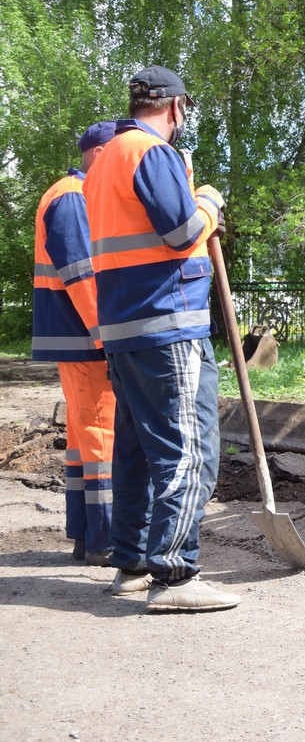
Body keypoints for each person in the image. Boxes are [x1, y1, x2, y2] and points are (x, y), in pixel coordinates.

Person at [83, 66, 239, 611]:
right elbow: (179, 232)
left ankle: (129, 564)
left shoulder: (104, 161)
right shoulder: (151, 153)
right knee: (188, 450)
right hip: (166, 324)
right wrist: (210, 204)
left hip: (124, 328)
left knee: (136, 451)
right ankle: (174, 576)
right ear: (176, 108)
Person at [33, 122, 120, 567]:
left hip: (74, 336)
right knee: (101, 435)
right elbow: (81, 274)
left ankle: (88, 536)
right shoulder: (73, 196)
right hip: (86, 337)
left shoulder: (68, 193)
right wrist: (106, 332)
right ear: (101, 153)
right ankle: (105, 539)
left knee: (84, 437)